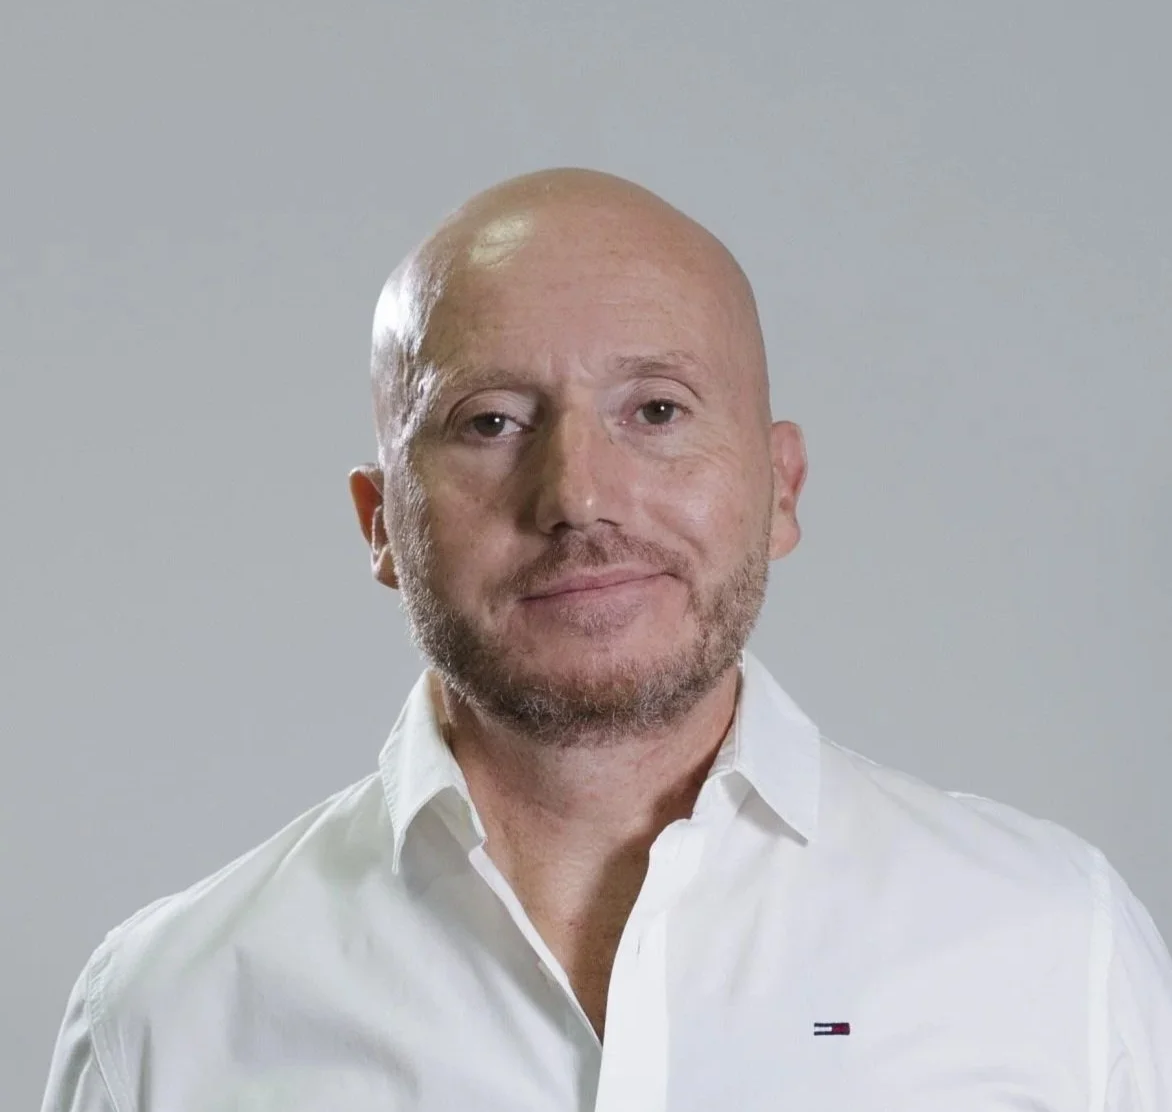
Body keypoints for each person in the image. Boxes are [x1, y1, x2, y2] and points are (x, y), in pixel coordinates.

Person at [42, 168, 1172, 1110]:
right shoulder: (164, 1015)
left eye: (657, 410)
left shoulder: (1051, 944)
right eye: (489, 421)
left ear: (778, 487)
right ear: (380, 521)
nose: (579, 495)